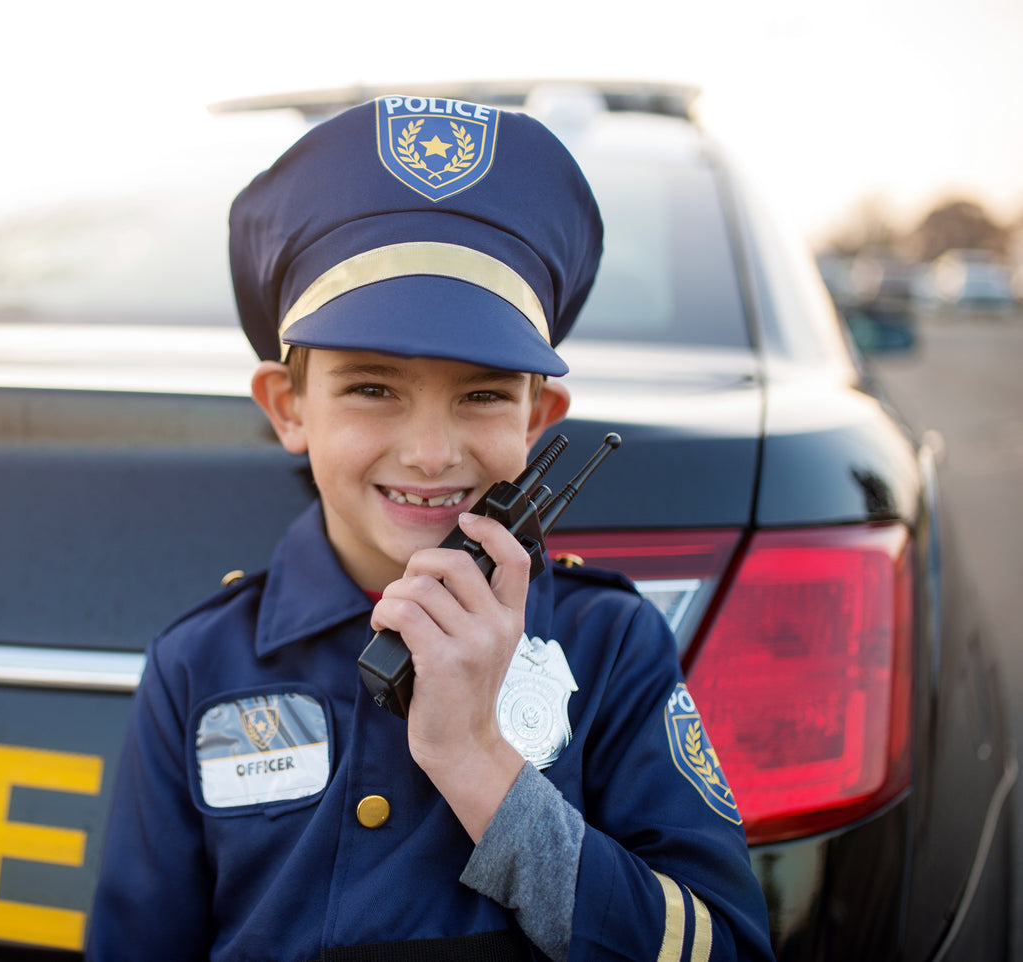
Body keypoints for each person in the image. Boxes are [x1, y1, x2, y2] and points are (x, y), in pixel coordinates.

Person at [87, 94, 774, 962]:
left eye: (482, 393)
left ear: (537, 418)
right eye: (372, 388)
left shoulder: (609, 645)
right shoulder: (199, 664)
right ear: (287, 407)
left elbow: (728, 949)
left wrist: (482, 764)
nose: (428, 451)